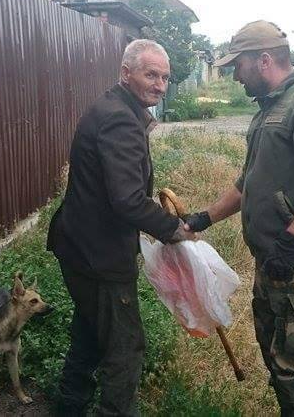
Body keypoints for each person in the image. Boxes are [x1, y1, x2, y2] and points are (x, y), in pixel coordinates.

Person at [183, 21, 294, 416]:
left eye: (236, 66)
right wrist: (203, 219)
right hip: (274, 261)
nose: (233, 74)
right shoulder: (269, 108)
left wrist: (292, 241)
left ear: (263, 60)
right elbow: (248, 183)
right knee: (279, 362)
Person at [47, 39, 196, 416]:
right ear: (125, 73)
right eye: (151, 74)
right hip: (99, 256)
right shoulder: (119, 119)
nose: (160, 85)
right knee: (125, 347)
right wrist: (173, 229)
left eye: (165, 77)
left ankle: (68, 406)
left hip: (80, 246)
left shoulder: (115, 108)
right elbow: (127, 200)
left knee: (89, 331)